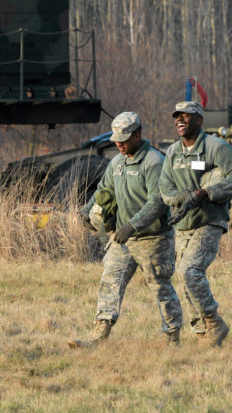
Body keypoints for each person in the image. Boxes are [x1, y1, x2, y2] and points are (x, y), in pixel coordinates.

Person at [69, 112, 182, 348]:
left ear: (138, 134)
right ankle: (100, 334)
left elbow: (158, 201)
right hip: (122, 238)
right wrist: (86, 211)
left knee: (161, 288)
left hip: (153, 239)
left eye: (125, 138)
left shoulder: (154, 162)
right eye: (116, 139)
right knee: (110, 280)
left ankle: (172, 337)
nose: (119, 143)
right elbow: (103, 189)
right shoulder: (116, 163)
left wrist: (132, 226)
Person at [158, 101, 232, 347]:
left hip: (210, 219)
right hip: (183, 222)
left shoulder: (216, 147)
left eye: (186, 116)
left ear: (199, 120)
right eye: (177, 116)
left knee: (190, 271)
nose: (180, 120)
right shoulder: (173, 152)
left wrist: (207, 192)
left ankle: (214, 322)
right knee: (186, 280)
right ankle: (202, 334)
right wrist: (181, 198)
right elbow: (165, 187)